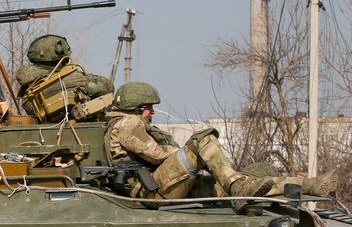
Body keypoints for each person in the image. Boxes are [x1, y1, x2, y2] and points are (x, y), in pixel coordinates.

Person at [105, 81, 337, 205]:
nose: (152, 112)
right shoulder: (127, 123)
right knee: (203, 139)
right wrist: (190, 154)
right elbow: (155, 154)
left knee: (233, 186)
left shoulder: (130, 123)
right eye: (149, 107)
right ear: (136, 107)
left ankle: (308, 185)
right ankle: (239, 188)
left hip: (163, 186)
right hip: (150, 191)